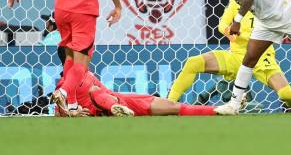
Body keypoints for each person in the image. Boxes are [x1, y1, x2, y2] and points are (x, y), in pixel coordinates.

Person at [168, 0, 291, 113]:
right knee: (193, 63)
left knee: (286, 95)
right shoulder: (236, 0)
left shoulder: (274, 5)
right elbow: (222, 25)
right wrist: (230, 33)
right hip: (237, 56)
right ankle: (168, 103)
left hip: (262, 59)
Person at [52, 49, 216, 117]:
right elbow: (57, 109)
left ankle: (217, 110)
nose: (86, 54)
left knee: (172, 106)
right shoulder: (64, 83)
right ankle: (114, 109)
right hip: (105, 109)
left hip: (122, 99)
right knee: (95, 90)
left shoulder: (84, 72)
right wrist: (72, 113)